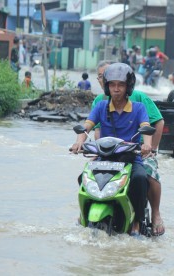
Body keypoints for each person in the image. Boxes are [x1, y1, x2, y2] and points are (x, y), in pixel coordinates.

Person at [71, 63, 152, 236]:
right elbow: (87, 126)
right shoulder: (101, 106)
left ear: (128, 86)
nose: (116, 89)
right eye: (112, 85)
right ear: (107, 86)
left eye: (120, 85)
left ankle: (137, 220)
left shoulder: (138, 108)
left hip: (130, 159)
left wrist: (147, 145)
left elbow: (146, 127)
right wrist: (79, 142)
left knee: (140, 179)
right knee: (82, 178)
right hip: (105, 159)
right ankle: (82, 216)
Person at [91, 60, 166, 236]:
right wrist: (96, 149)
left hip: (137, 151)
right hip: (108, 152)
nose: (114, 87)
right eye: (104, 78)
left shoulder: (139, 99)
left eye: (120, 83)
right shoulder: (99, 102)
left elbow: (157, 122)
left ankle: (153, 214)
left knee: (146, 176)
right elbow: (96, 129)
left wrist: (151, 148)